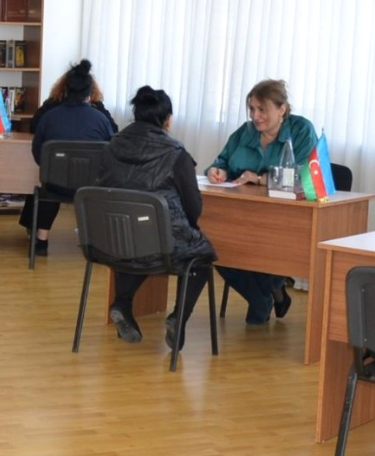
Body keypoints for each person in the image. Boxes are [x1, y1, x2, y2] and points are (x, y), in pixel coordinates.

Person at [100, 86, 217, 350]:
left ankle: (122, 304)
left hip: (111, 241)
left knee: (136, 245)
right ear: (167, 120)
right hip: (157, 244)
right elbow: (194, 208)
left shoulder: (111, 145)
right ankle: (178, 318)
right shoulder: (176, 153)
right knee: (200, 258)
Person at [206, 79, 318, 324]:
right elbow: (220, 162)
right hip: (242, 211)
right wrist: (217, 171)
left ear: (282, 109)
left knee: (269, 247)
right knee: (214, 245)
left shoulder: (301, 130)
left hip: (286, 215)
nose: (255, 116)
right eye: (252, 109)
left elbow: (303, 176)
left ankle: (265, 297)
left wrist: (259, 179)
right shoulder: (245, 132)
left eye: (262, 109)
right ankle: (264, 298)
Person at [21, 60, 116, 256]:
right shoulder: (100, 118)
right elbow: (111, 147)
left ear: (65, 88)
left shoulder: (50, 116)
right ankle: (95, 242)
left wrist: (47, 168)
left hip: (55, 183)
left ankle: (41, 242)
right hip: (91, 184)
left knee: (48, 187)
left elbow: (37, 150)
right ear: (90, 92)